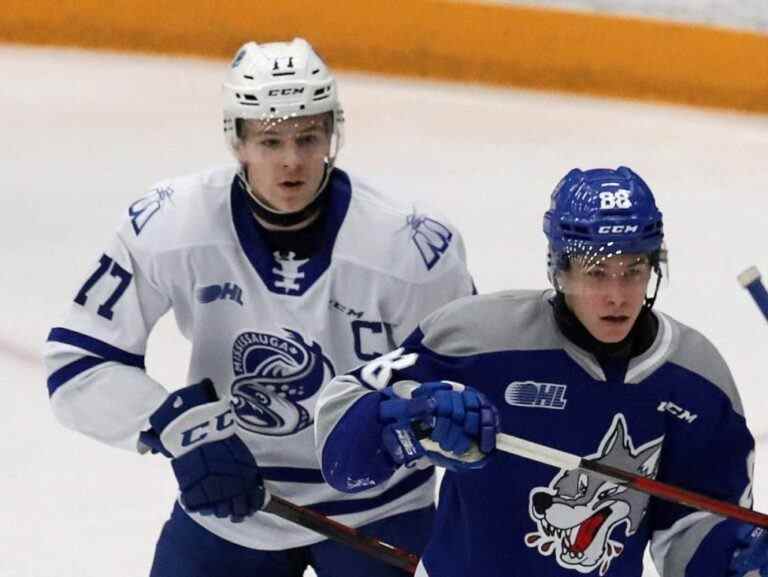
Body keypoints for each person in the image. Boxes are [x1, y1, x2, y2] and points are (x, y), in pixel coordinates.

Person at [43, 38, 475, 577]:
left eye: (307, 138)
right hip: (232, 506)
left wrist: (416, 423)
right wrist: (175, 426)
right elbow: (76, 365)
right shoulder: (170, 225)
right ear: (238, 142)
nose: (291, 161)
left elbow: (466, 391)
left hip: (380, 509)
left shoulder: (409, 249)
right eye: (270, 141)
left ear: (331, 137)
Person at [315, 166, 766, 577]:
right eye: (597, 272)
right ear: (560, 270)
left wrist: (739, 557)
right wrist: (409, 419)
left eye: (633, 270)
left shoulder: (695, 379)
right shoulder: (478, 338)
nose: (617, 295)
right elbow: (341, 447)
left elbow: (695, 527)